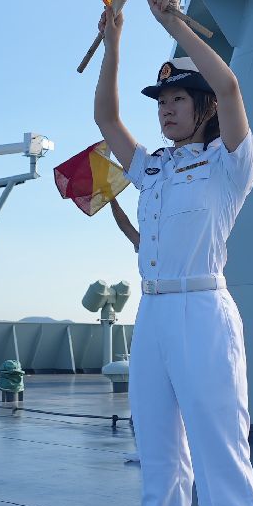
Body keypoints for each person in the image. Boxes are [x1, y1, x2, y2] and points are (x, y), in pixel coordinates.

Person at [92, 0, 253, 506]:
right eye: (161, 99)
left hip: (204, 314)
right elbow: (106, 119)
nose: (165, 108)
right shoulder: (156, 168)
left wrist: (174, 24)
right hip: (155, 319)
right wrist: (114, 39)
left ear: (202, 109)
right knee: (161, 474)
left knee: (226, 477)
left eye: (177, 99)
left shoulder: (229, 165)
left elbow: (231, 85)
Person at [107, 195, 142, 466]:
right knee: (143, 387)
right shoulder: (147, 243)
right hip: (151, 309)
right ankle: (147, 447)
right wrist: (111, 199)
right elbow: (125, 226)